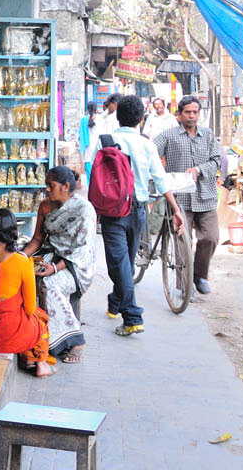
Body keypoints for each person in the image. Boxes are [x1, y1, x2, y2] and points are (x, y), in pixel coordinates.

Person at [93, 95, 186, 337]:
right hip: (138, 210)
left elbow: (92, 173)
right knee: (125, 262)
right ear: (141, 119)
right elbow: (161, 178)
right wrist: (175, 209)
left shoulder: (106, 141)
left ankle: (128, 312)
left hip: (113, 211)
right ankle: (122, 306)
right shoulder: (147, 145)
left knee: (120, 263)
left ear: (117, 116)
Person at [0, 208, 55, 377]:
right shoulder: (22, 261)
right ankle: (40, 363)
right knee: (40, 320)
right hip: (11, 335)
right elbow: (29, 308)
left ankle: (29, 359)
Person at [22, 166, 97, 363]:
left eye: (51, 185)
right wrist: (21, 258)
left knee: (50, 284)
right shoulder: (45, 206)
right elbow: (37, 239)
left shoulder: (84, 210)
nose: (46, 189)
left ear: (65, 186)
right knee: (22, 275)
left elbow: (82, 250)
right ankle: (32, 333)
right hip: (49, 254)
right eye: (46, 184)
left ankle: (74, 340)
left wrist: (54, 268)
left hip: (74, 264)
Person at [152, 95, 224, 295]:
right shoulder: (168, 135)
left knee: (211, 238)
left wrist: (199, 170)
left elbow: (217, 160)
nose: (192, 116)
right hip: (179, 199)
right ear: (179, 114)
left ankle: (199, 275)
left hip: (205, 196)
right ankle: (185, 288)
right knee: (184, 243)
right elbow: (151, 153)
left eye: (195, 112)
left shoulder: (208, 135)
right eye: (187, 112)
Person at [78, 102, 98, 185]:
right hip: (97, 146)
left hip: (87, 147)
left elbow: (80, 135)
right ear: (96, 109)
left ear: (87, 109)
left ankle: (91, 188)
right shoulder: (99, 119)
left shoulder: (83, 119)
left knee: (89, 171)